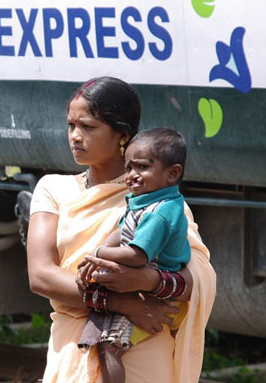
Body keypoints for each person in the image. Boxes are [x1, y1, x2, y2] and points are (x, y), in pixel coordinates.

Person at [26, 76, 216, 383]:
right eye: (71, 126)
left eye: (87, 127)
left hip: (142, 344)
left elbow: (199, 279)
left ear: (122, 136)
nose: (75, 136)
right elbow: (41, 275)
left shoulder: (160, 201)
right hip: (72, 342)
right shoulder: (53, 189)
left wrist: (147, 279)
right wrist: (121, 301)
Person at [76, 127, 192, 383]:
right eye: (128, 168)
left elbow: (137, 256)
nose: (132, 176)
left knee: (109, 347)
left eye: (141, 168)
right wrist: (98, 258)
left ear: (173, 173)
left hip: (154, 294)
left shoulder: (159, 213)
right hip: (141, 283)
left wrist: (98, 253)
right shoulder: (144, 200)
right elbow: (122, 230)